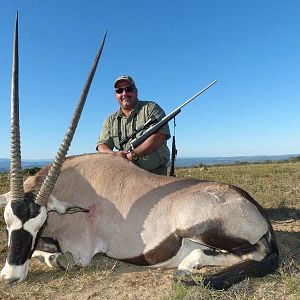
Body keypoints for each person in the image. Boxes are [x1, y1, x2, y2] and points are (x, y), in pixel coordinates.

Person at [96, 75, 170, 175]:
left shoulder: (150, 108)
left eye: (128, 89)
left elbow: (160, 136)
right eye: (119, 91)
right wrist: (114, 155)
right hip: (127, 175)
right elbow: (102, 145)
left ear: (136, 91)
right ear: (115, 95)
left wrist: (132, 155)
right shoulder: (110, 120)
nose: (124, 93)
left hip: (155, 174)